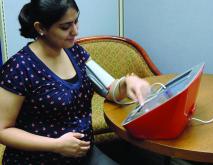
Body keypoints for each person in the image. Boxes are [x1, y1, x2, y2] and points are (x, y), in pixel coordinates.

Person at [0, 0, 151, 164]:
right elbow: (3, 130)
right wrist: (56, 145)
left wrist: (127, 83)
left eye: (76, 21)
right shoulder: (19, 67)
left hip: (82, 154)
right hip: (38, 159)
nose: (75, 31)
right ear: (40, 28)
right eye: (65, 27)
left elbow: (109, 89)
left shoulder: (75, 52)